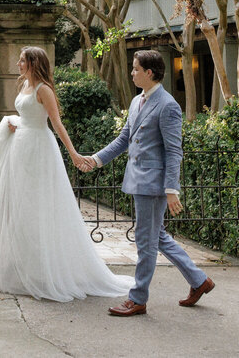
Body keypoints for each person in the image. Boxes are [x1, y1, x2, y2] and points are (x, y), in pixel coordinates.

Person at [0, 46, 134, 302]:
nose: (18, 64)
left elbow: (56, 123)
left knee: (34, 209)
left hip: (39, 151)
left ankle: (31, 271)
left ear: (33, 63)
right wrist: (12, 123)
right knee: (14, 207)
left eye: (22, 60)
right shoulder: (25, 86)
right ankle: (2, 267)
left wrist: (73, 154)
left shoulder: (44, 90)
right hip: (20, 150)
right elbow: (25, 116)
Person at [76, 49, 213, 317]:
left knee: (146, 242)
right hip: (139, 180)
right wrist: (95, 160)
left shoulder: (168, 105)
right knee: (156, 236)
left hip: (153, 184)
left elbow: (174, 151)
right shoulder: (139, 100)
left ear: (149, 73)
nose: (132, 73)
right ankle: (199, 281)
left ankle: (137, 299)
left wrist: (171, 190)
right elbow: (124, 139)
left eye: (136, 69)